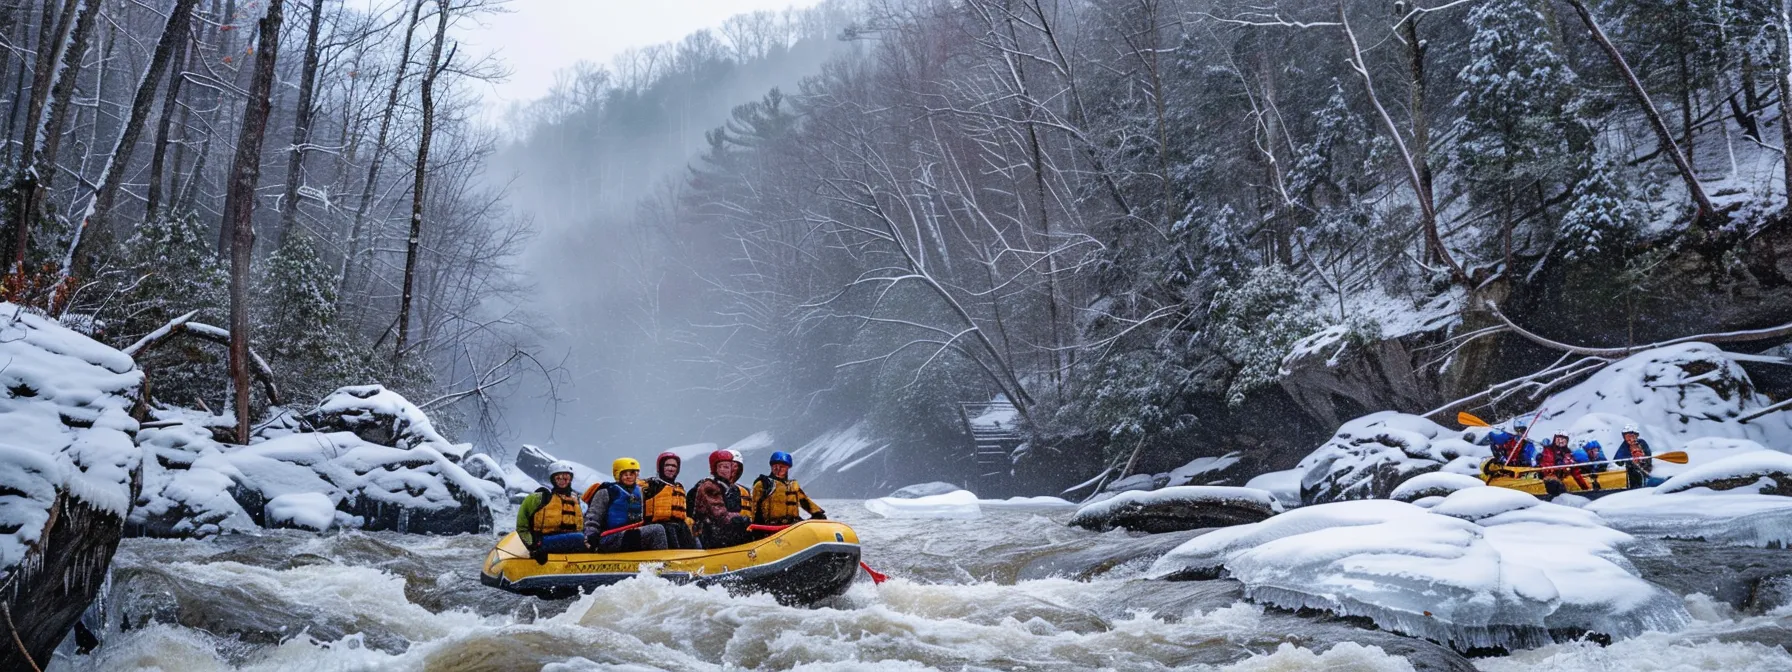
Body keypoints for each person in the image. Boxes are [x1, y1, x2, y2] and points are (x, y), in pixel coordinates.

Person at [584, 457, 669, 553]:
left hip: (632, 534)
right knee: (657, 530)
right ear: (618, 475)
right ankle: (661, 564)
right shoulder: (606, 492)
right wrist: (591, 536)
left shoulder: (641, 492)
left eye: (632, 473)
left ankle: (656, 560)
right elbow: (593, 517)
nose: (629, 477)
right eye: (625, 474)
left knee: (666, 528)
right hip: (609, 539)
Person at [516, 461, 585, 563]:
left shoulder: (575, 501)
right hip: (542, 541)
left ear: (570, 479)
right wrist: (533, 546)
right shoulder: (539, 498)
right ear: (553, 480)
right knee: (580, 538)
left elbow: (580, 527)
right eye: (558, 478)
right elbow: (521, 527)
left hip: (568, 543)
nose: (562, 481)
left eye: (566, 478)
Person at [689, 450, 753, 549]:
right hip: (711, 532)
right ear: (715, 469)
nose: (723, 470)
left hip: (724, 530)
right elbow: (719, 514)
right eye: (720, 467)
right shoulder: (709, 486)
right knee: (740, 524)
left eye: (726, 467)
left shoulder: (732, 488)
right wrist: (741, 519)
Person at [751, 451, 826, 526]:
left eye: (782, 467)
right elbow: (754, 506)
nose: (778, 469)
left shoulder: (793, 485)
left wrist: (817, 512)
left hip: (792, 524)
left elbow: (805, 501)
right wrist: (756, 525)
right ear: (771, 467)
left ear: (787, 468)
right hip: (771, 526)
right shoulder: (763, 484)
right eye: (775, 466)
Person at [642, 451, 698, 549]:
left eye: (674, 466)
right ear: (661, 467)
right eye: (667, 465)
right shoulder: (650, 485)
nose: (671, 468)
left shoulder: (679, 487)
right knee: (671, 529)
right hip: (658, 525)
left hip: (679, 526)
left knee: (688, 530)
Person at [1615, 424, 1654, 489]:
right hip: (1631, 471)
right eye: (1627, 437)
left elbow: (1648, 455)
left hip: (1644, 468)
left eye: (1631, 436)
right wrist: (1627, 461)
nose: (1629, 439)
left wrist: (1645, 462)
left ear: (1636, 436)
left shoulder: (1642, 443)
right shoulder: (1624, 446)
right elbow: (1618, 460)